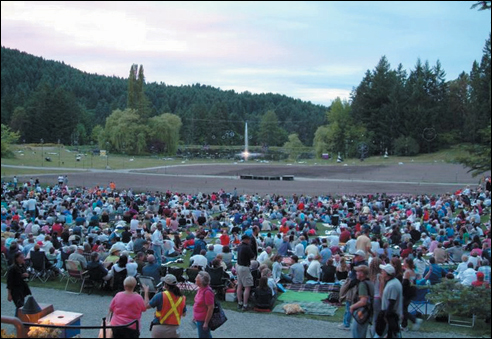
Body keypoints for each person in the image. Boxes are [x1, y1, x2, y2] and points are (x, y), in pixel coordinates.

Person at [349, 265, 374, 338]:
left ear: (362, 274)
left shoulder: (362, 284)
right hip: (368, 312)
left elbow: (363, 301)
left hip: (362, 312)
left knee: (357, 332)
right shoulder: (369, 282)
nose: (356, 273)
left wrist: (352, 307)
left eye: (357, 271)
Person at [380, 264, 403, 338]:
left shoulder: (392, 285)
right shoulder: (392, 282)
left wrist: (386, 316)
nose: (381, 272)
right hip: (391, 316)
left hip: (392, 316)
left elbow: (392, 302)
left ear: (387, 273)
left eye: (383, 271)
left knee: (392, 334)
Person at [7, 252, 31, 316]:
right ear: (16, 259)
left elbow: (27, 276)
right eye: (21, 257)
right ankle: (18, 320)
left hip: (22, 289)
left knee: (21, 305)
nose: (23, 259)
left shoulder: (23, 266)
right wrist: (9, 294)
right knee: (19, 306)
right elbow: (9, 282)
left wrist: (26, 275)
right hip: (15, 290)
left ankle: (19, 319)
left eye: (23, 257)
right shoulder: (12, 268)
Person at [401, 258, 423, 331]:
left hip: (406, 292)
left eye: (404, 262)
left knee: (402, 309)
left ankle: (414, 320)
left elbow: (405, 283)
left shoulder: (407, 272)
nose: (403, 263)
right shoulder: (413, 272)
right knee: (405, 308)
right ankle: (404, 325)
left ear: (407, 263)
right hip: (411, 292)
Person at [236, 234, 255, 311]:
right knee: (247, 287)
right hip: (244, 267)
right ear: (246, 240)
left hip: (238, 266)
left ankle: (239, 302)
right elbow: (252, 256)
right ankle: (245, 304)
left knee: (240, 286)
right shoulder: (247, 247)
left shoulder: (239, 246)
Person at [193, 271, 214, 338]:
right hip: (199, 318)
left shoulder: (207, 292)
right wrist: (195, 316)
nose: (195, 279)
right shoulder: (200, 289)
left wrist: (206, 322)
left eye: (197, 278)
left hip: (203, 319)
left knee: (204, 336)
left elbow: (210, 308)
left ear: (201, 281)